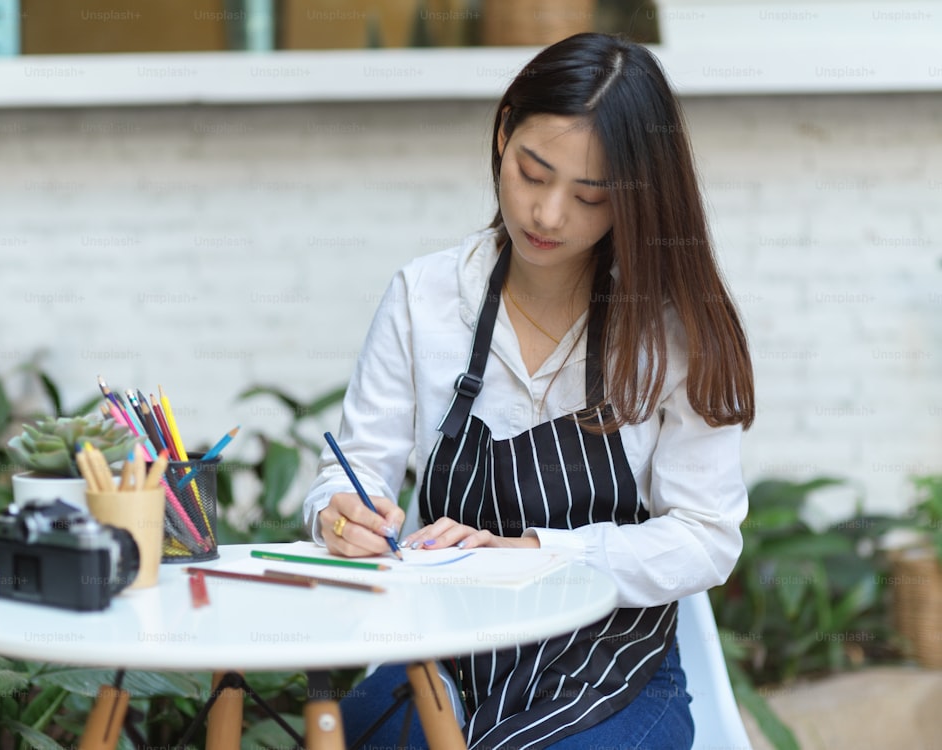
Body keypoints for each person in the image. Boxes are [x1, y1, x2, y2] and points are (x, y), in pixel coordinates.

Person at [302, 32, 754, 750]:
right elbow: (349, 468)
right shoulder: (424, 298)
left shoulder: (675, 331)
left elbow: (705, 538)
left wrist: (540, 551)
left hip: (612, 670)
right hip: (443, 658)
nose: (548, 215)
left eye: (589, 196)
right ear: (505, 130)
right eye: (531, 173)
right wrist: (337, 511)